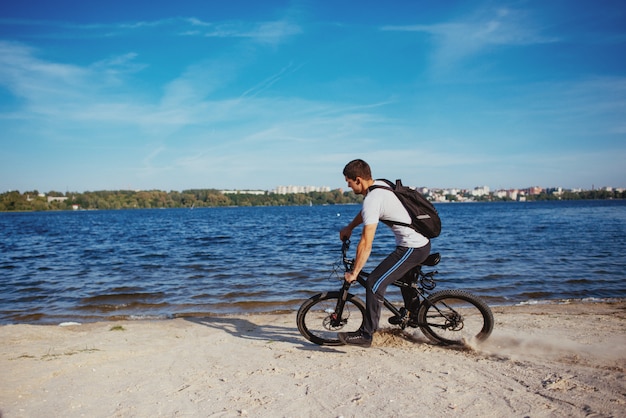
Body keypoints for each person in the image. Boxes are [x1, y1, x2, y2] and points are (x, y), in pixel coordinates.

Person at [338, 159, 431, 347]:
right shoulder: (379, 185)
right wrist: (350, 227)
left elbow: (366, 242)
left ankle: (366, 335)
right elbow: (367, 212)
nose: (348, 186)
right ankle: (413, 316)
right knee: (405, 281)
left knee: (374, 282)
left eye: (348, 182)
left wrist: (355, 272)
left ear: (358, 180)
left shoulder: (372, 199)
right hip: (420, 243)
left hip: (412, 247)